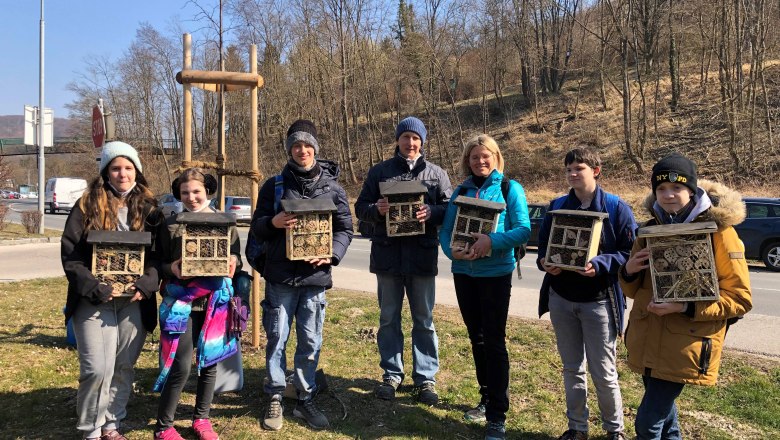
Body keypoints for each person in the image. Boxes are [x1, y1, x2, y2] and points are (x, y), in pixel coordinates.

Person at [619, 153, 752, 439]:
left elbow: (740, 299)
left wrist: (685, 306)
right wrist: (628, 270)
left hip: (685, 344)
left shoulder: (720, 233)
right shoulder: (649, 228)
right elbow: (631, 290)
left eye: (676, 188)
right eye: (661, 189)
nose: (668, 195)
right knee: (666, 421)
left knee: (647, 423)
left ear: (691, 190)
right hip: (647, 337)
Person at [252, 119, 353, 431]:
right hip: (281, 278)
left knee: (310, 340)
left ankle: (306, 397)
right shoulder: (274, 186)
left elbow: (346, 229)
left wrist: (331, 254)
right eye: (296, 145)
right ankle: (275, 395)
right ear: (289, 150)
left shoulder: (334, 189)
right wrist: (274, 223)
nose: (302, 150)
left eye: (307, 144)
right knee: (276, 338)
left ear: (315, 148)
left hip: (315, 278)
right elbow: (257, 227)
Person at [61, 141, 162, 440]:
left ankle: (111, 423)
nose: (122, 174)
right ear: (105, 172)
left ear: (137, 171)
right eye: (115, 168)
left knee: (123, 366)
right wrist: (93, 286)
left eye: (128, 168)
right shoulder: (86, 205)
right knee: (96, 368)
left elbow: (159, 256)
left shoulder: (150, 209)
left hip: (134, 300)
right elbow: (71, 256)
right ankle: (90, 429)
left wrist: (147, 283)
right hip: (95, 300)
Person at [536, 146, 636, 440]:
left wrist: (601, 264)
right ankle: (577, 428)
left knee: (604, 372)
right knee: (571, 369)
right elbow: (543, 248)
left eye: (578, 168)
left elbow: (630, 253)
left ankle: (614, 431)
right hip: (562, 300)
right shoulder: (555, 207)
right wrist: (546, 263)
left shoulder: (617, 208)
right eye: (568, 169)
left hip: (599, 302)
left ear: (596, 170)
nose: (572, 173)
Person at [354, 116, 452, 405]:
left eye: (416, 138)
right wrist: (377, 209)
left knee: (424, 320)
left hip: (422, 255)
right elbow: (360, 208)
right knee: (388, 319)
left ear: (422, 141)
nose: (411, 143)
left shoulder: (437, 174)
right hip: (387, 257)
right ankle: (391, 374)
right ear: (397, 140)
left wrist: (431, 213)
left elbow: (449, 209)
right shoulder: (380, 172)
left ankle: (425, 379)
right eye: (406, 137)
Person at [438, 134, 530, 440]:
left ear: (496, 157)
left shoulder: (509, 188)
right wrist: (454, 252)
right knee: (476, 339)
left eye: (485, 156)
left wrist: (492, 240)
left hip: (495, 275)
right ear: (468, 160)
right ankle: (485, 397)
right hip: (464, 273)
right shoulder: (460, 191)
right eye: (475, 157)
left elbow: (523, 230)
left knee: (494, 341)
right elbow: (447, 231)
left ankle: (497, 415)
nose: (480, 161)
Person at [152, 168, 242, 440]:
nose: (191, 197)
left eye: (196, 192)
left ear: (207, 192)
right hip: (180, 303)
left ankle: (202, 419)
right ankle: (164, 426)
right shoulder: (170, 224)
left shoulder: (224, 222)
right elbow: (157, 263)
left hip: (214, 303)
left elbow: (235, 256)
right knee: (180, 366)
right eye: (184, 193)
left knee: (209, 363)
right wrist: (172, 269)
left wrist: (233, 264)